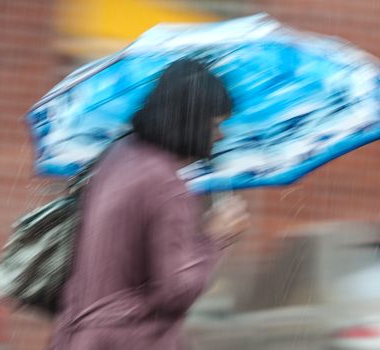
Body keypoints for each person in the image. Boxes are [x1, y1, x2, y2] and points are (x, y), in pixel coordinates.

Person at [49, 59, 248, 350]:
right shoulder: (165, 185)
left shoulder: (117, 157)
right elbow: (176, 292)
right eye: (215, 124)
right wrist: (217, 238)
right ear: (192, 121)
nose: (220, 136)